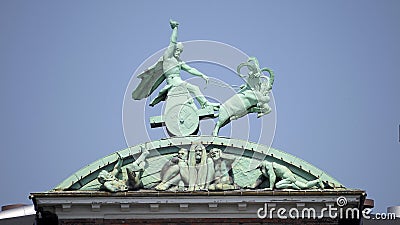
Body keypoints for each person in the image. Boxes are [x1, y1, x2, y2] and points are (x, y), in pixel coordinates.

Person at [132, 20, 219, 109]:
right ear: (173, 50)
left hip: (178, 81)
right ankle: (205, 104)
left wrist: (202, 75)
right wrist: (175, 29)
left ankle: (205, 104)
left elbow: (190, 69)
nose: (178, 52)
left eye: (180, 51)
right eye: (177, 50)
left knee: (195, 88)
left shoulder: (179, 61)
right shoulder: (168, 57)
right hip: (173, 82)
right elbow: (172, 41)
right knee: (194, 88)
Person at [247, 161, 324, 190]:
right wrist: (252, 187)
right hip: (289, 177)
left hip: (288, 178)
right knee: (305, 186)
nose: (260, 170)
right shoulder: (265, 168)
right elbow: (261, 178)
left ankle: (291, 185)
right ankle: (317, 181)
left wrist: (270, 188)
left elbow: (272, 176)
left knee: (277, 186)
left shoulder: (268, 165)